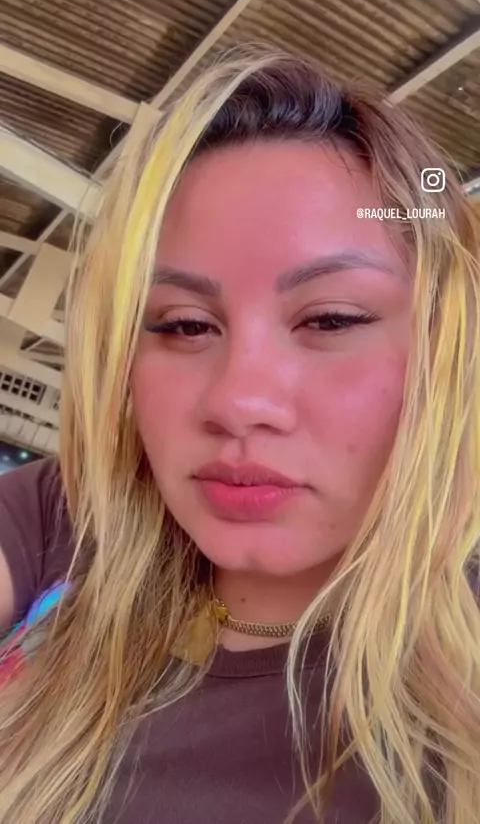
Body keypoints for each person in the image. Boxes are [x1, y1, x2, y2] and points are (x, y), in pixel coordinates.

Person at [0, 48, 479, 824]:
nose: (238, 401)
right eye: (184, 325)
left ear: (445, 347)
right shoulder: (75, 512)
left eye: (331, 319)